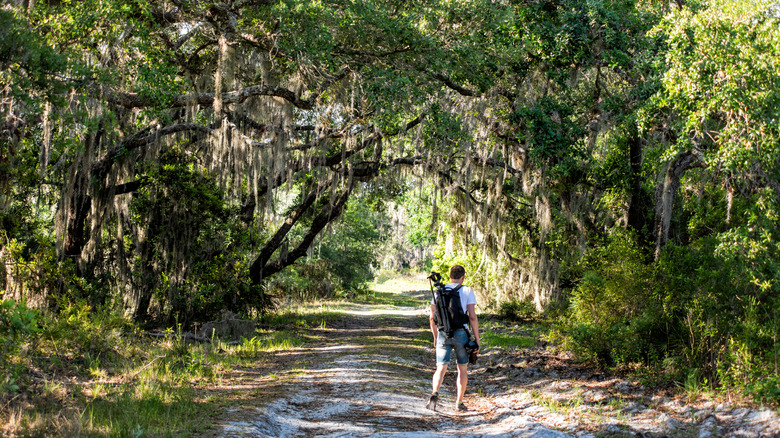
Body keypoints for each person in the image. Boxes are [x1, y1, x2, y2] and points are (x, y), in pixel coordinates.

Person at [426, 264, 480, 412]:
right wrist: (476, 339)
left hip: (443, 333)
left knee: (441, 368)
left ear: (449, 276)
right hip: (461, 333)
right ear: (463, 277)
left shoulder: (438, 291)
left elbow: (432, 317)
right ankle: (459, 402)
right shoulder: (467, 290)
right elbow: (473, 317)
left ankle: (434, 393)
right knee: (462, 368)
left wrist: (436, 337)